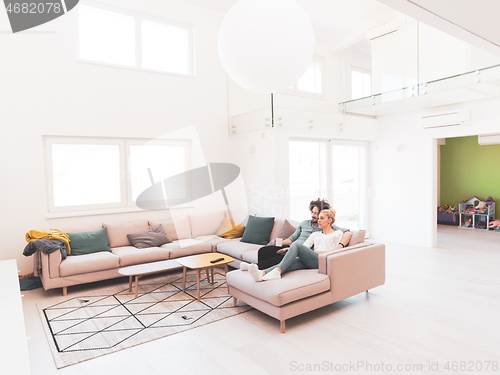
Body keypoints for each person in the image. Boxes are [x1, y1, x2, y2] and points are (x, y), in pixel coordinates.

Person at [241, 198, 352, 270]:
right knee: (264, 250)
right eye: (312, 212)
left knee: (280, 258)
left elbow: (347, 232)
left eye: (317, 213)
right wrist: (278, 242)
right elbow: (292, 239)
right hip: (291, 247)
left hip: (303, 251)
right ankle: (259, 270)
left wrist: (339, 246)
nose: (314, 215)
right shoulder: (304, 223)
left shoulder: (325, 226)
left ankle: (257, 268)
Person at [248, 208, 342, 281]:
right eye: (319, 218)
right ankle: (263, 273)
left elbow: (336, 252)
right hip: (312, 261)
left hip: (324, 260)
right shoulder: (315, 234)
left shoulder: (337, 233)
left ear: (329, 220)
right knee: (289, 263)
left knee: (296, 245)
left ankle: (272, 272)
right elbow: (304, 248)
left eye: (322, 218)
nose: (319, 220)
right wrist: (290, 250)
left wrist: (314, 251)